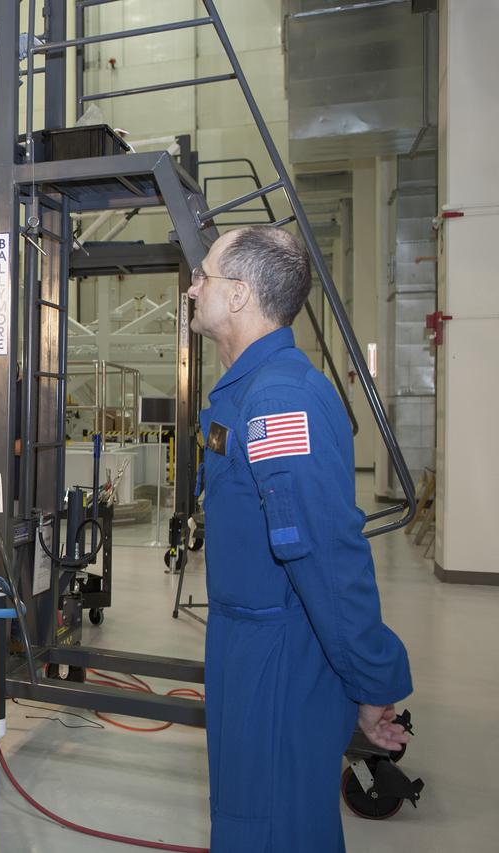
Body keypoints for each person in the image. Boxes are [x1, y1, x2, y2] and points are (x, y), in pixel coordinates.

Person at [188, 225, 411, 852]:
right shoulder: (248, 392)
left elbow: (325, 556)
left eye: (203, 275)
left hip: (277, 657)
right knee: (247, 817)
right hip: (247, 641)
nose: (191, 286)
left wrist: (373, 681)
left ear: (237, 295)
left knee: (268, 829)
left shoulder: (280, 403)